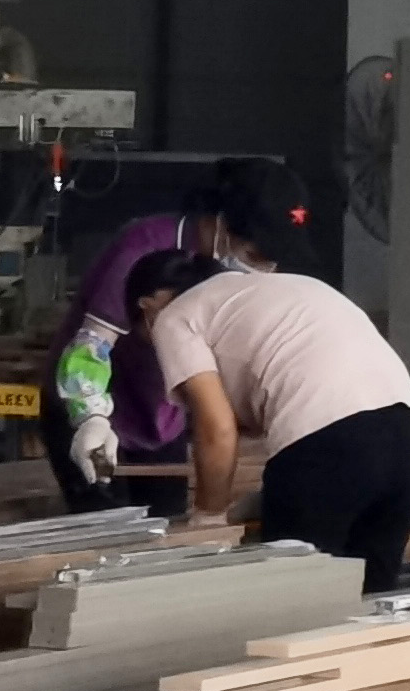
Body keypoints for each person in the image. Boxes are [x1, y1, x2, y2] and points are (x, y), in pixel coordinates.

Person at [121, 249, 410, 593]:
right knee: (372, 599)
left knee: (294, 600)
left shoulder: (174, 317)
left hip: (325, 439)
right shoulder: (275, 288)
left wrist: (208, 517)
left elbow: (217, 428)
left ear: (147, 307)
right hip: (402, 430)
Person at [48, 168, 279, 514]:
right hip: (98, 412)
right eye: (256, 255)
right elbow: (90, 347)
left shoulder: (231, 272)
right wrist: (91, 417)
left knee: (167, 522)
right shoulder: (140, 249)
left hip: (162, 416)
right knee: (105, 528)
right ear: (223, 225)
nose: (265, 269)